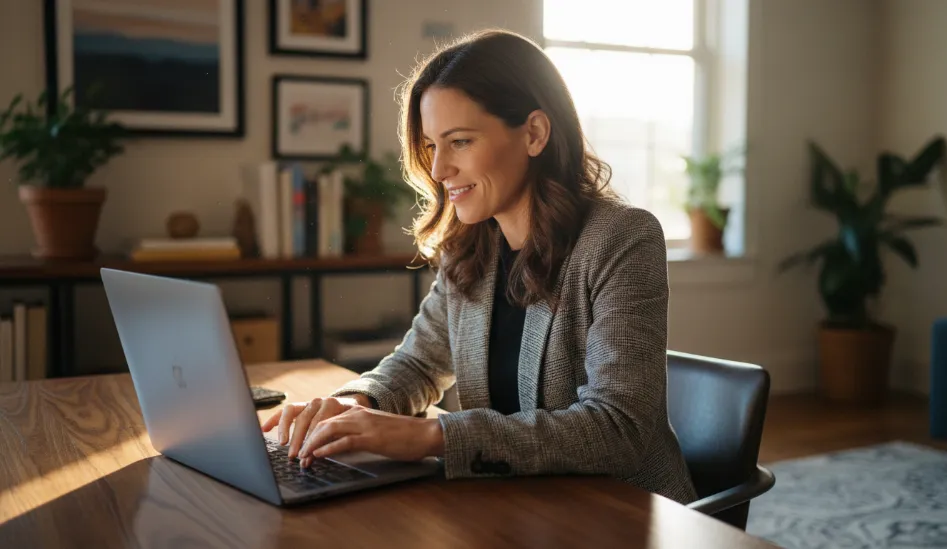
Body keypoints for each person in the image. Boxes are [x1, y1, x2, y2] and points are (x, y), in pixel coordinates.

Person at [260, 28, 698, 504]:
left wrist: (433, 437)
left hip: (620, 512)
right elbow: (419, 363)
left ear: (534, 133)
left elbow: (619, 430)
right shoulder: (469, 247)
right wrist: (352, 404)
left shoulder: (621, 239)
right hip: (513, 505)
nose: (439, 169)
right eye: (431, 146)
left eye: (460, 142)